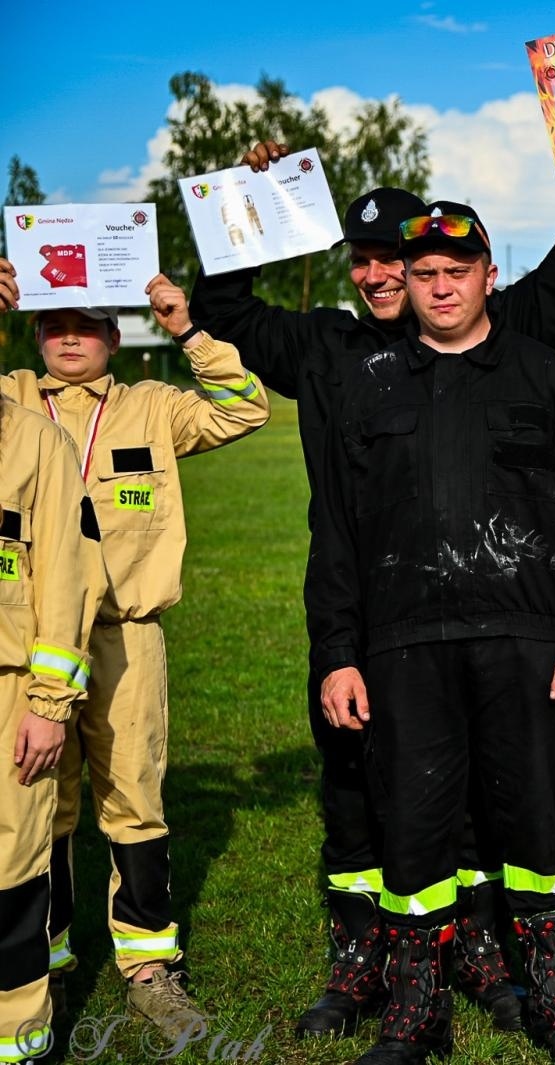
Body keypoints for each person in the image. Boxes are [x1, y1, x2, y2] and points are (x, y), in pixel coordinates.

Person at [187, 83, 555, 1039]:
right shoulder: (325, 348)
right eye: (365, 259)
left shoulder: (505, 338)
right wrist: (246, 198)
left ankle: (478, 946)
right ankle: (366, 957)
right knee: (359, 788)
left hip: (489, 607)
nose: (381, 275)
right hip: (370, 600)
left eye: (395, 259)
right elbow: (225, 307)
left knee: (488, 793)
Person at [310, 202, 555, 1065]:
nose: (441, 287)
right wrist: (337, 654)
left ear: (489, 274)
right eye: (424, 274)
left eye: (457, 272)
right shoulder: (367, 383)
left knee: (534, 826)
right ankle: (416, 1012)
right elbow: (334, 533)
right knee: (413, 829)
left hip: (524, 639)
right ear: (405, 282)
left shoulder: (539, 373)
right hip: (403, 644)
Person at [0, 269, 269, 1039]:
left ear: (116, 336)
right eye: (56, 323)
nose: (71, 337)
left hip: (125, 633)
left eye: (88, 324)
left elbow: (246, 405)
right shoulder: (11, 399)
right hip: (31, 642)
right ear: (33, 332)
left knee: (134, 793)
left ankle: (149, 966)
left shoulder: (152, 405)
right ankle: (43, 956)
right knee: (36, 799)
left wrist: (187, 329)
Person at [0, 271, 105, 1065]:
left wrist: (47, 703)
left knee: (9, 868)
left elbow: (66, 580)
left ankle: (18, 1038)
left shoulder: (35, 439)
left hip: (10, 692)